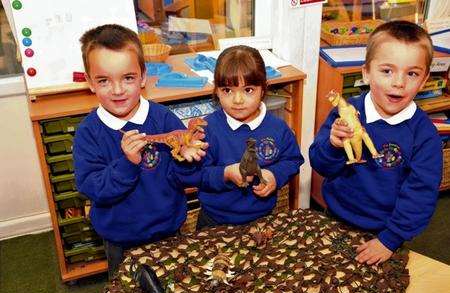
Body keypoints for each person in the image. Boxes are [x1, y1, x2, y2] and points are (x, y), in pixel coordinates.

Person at [73, 24, 207, 279]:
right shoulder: (88, 133)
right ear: (90, 82)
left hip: (169, 229)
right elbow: (91, 187)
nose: (118, 89)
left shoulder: (163, 118)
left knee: (176, 284)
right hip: (120, 239)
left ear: (143, 77)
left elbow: (186, 178)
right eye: (104, 80)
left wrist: (188, 158)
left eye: (128, 78)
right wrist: (127, 163)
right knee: (126, 289)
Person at [309, 20, 442, 265]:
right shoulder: (345, 112)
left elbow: (420, 195)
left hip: (386, 232)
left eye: (412, 73)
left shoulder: (425, 137)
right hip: (334, 215)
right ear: (366, 72)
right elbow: (320, 164)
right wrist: (333, 146)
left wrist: (389, 240)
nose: (399, 82)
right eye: (387, 71)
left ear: (423, 81)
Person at [191, 45, 304, 229]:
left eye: (248, 90)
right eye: (227, 90)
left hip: (263, 219)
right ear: (216, 91)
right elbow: (195, 175)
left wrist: (274, 175)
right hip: (214, 221)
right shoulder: (206, 129)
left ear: (263, 89)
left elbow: (292, 160)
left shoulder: (278, 128)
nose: (237, 100)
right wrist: (226, 174)